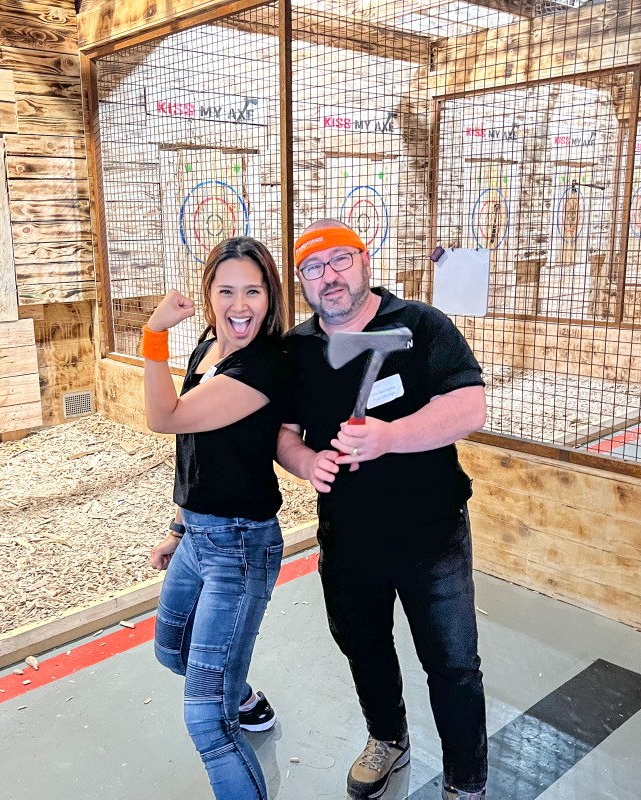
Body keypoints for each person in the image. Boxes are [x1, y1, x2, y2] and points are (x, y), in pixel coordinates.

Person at [277, 220, 488, 800]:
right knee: (363, 646)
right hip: (347, 540)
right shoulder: (297, 348)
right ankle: (387, 738)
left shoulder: (419, 326)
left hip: (432, 535)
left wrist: (389, 437)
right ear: (302, 282)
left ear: (366, 261)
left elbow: (470, 407)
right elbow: (284, 433)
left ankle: (465, 780)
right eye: (313, 268)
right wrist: (302, 461)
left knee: (452, 664)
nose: (329, 276)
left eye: (340, 259)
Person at [143, 236, 289, 800]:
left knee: (207, 720)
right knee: (169, 649)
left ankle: (231, 705)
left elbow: (166, 418)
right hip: (200, 534)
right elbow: (198, 452)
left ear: (269, 296)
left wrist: (154, 336)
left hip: (240, 546)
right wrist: (179, 528)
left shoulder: (263, 366)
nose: (240, 303)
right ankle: (246, 699)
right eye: (225, 290)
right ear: (208, 296)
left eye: (253, 290)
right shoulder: (209, 347)